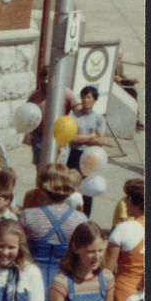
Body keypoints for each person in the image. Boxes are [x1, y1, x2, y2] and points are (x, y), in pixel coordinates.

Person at [18, 163, 88, 301]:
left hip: (32, 278)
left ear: (43, 188)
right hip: (65, 280)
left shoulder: (27, 215)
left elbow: (18, 250)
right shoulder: (80, 219)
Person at [104, 178, 144, 301]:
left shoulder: (125, 228)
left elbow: (107, 269)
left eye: (128, 197)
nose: (124, 202)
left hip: (123, 293)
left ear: (135, 202)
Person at [25, 66, 79, 166]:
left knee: (58, 168)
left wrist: (71, 129)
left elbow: (79, 110)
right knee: (41, 168)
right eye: (42, 78)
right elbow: (26, 113)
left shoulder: (65, 92)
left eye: (48, 78)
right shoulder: (36, 95)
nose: (45, 81)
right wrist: (29, 132)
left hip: (58, 139)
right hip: (39, 138)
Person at [68, 85, 106, 216]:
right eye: (83, 97)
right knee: (72, 185)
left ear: (95, 99)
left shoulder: (99, 118)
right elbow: (71, 138)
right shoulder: (74, 116)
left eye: (88, 97)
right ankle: (70, 215)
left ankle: (85, 217)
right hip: (76, 154)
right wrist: (91, 135)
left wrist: (81, 138)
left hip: (91, 156)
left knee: (88, 188)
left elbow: (100, 140)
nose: (85, 100)